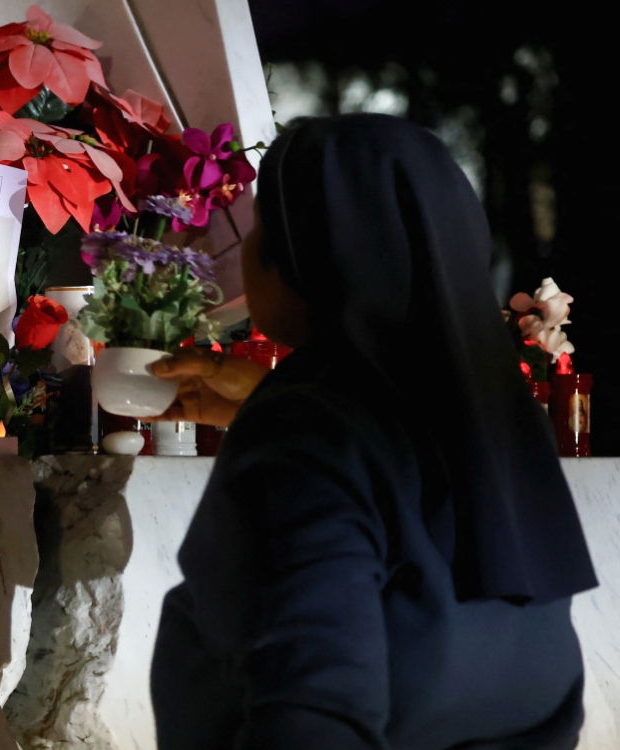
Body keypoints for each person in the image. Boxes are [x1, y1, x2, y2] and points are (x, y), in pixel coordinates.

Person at [149, 115, 597, 750]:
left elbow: (309, 717)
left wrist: (287, 422)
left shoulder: (305, 432)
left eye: (260, 227)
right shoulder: (497, 414)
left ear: (308, 254)